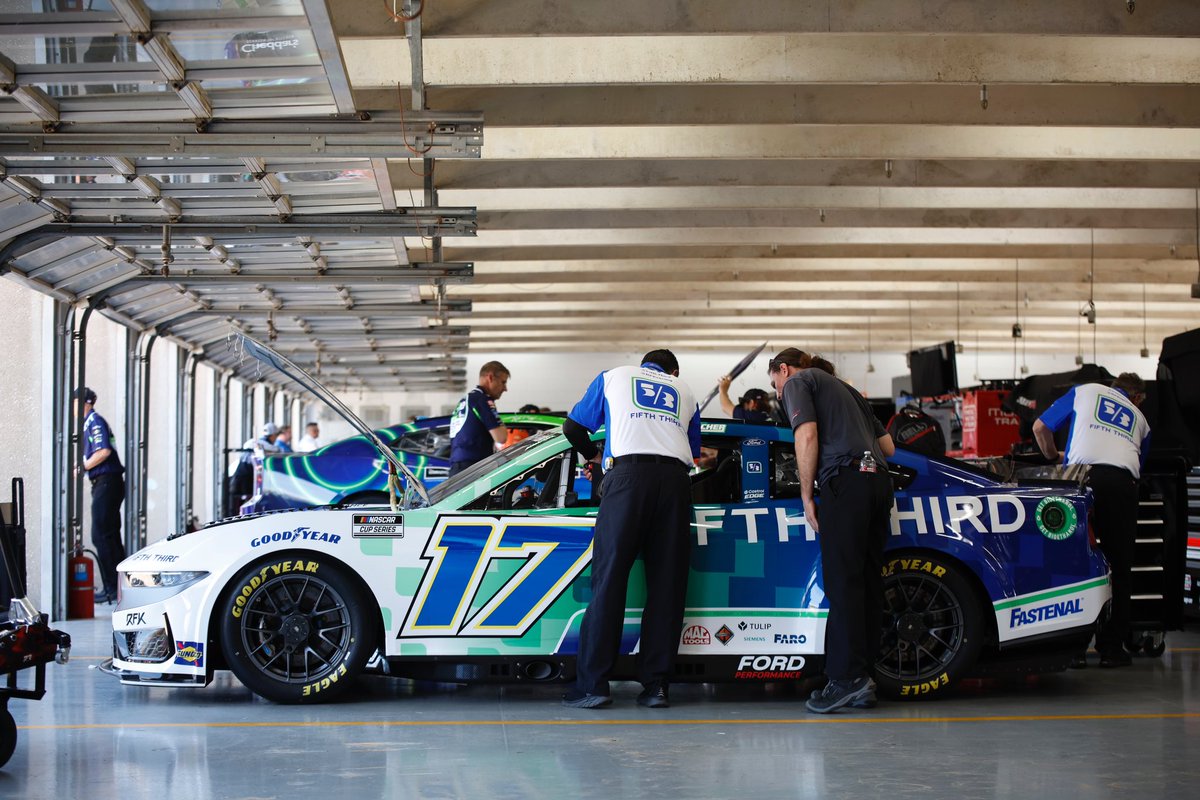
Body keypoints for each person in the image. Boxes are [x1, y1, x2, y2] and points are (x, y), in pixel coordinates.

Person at [561, 349, 701, 709]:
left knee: (609, 580)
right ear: (672, 370)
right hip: (674, 483)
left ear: (644, 366)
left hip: (626, 479)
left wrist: (595, 456)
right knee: (667, 585)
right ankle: (656, 686)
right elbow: (694, 453)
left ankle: (593, 685)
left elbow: (572, 428)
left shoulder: (614, 376)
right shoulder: (684, 389)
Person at [768, 347, 895, 714]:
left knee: (842, 583)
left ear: (784, 368)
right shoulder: (846, 389)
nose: (778, 393)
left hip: (845, 483)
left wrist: (807, 495)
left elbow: (805, 436)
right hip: (877, 483)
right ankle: (864, 677)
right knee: (869, 583)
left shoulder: (798, 382)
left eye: (775, 383)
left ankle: (845, 680)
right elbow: (889, 445)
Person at [1033, 372, 1151, 669]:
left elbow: (1039, 427)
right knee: (1119, 566)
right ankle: (1112, 649)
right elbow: (1137, 462)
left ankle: (1072, 649)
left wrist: (1054, 457)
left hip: (1080, 480)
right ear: (1136, 398)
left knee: (1071, 562)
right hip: (1121, 484)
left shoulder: (1085, 390)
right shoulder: (1141, 420)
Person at [73, 387, 126, 605]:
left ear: (84, 402)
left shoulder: (93, 421)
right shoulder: (92, 422)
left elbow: (103, 451)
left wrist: (83, 466)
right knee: (110, 535)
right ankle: (119, 587)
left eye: (74, 401)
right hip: (108, 484)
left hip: (107, 482)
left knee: (101, 536)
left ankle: (112, 588)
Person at [449, 361, 510, 475]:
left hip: (457, 468)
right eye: (503, 382)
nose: (505, 388)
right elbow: (501, 438)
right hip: (474, 469)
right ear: (490, 377)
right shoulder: (482, 400)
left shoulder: (466, 400)